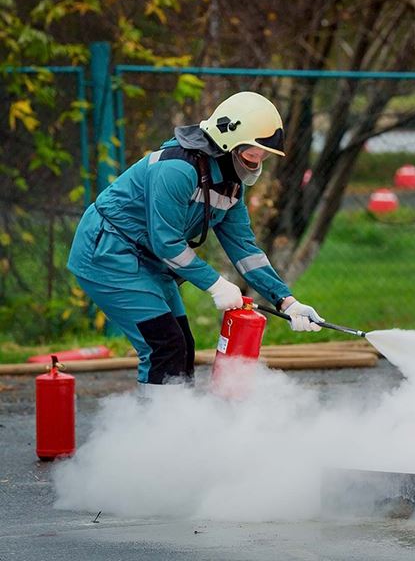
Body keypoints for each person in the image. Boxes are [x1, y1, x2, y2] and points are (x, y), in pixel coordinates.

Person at [68, 91, 324, 388]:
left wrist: (287, 301)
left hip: (148, 259)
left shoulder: (230, 187)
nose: (259, 161)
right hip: (108, 253)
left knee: (183, 347)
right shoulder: (176, 169)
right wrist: (216, 284)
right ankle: (152, 429)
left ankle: (178, 426)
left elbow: (245, 251)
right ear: (229, 142)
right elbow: (166, 242)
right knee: (163, 347)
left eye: (263, 155)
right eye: (253, 152)